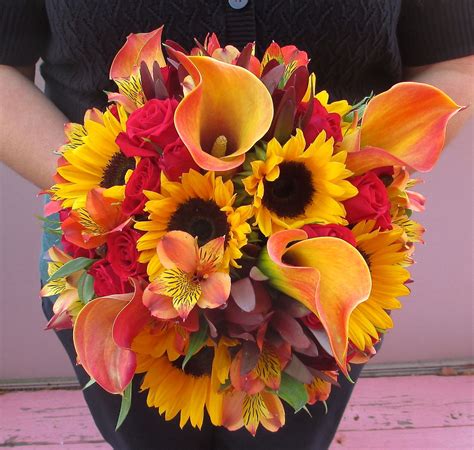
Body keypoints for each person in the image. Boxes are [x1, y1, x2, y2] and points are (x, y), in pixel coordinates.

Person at [0, 1, 472, 449]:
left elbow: (456, 61)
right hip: (112, 260)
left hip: (331, 262)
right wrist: (111, 203)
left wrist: (353, 179)